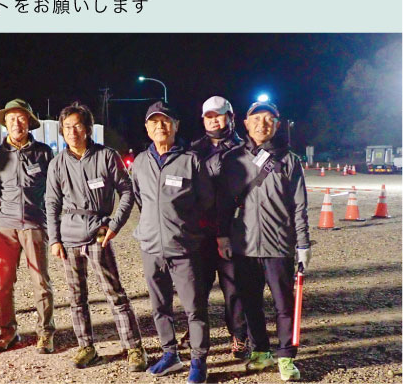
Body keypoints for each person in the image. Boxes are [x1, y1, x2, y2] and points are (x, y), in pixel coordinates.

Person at [46, 102, 147, 371]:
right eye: (67, 127)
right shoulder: (57, 164)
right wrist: (54, 239)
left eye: (78, 126)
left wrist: (115, 224)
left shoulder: (106, 156)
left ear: (88, 128)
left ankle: (134, 348)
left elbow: (127, 191)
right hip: (69, 238)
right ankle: (86, 346)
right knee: (76, 297)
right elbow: (52, 204)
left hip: (98, 234)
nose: (72, 132)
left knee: (115, 293)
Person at [217, 101, 312, 382]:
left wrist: (303, 245)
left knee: (284, 305)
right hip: (244, 246)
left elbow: (299, 207)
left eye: (269, 119)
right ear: (245, 124)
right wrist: (223, 236)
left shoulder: (289, 161)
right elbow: (224, 202)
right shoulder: (233, 159)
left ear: (277, 125)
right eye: (256, 118)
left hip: (279, 246)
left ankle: (286, 356)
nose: (262, 124)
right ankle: (261, 350)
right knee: (250, 303)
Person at [130, 101, 214, 383]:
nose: (160, 126)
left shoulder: (191, 161)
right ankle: (170, 354)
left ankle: (198, 361)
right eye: (154, 122)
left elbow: (206, 201)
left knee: (194, 308)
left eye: (165, 121)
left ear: (176, 126)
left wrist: (185, 228)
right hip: (151, 248)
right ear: (147, 128)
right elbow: (140, 199)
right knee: (159, 307)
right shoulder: (140, 162)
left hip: (184, 248)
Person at [0, 99, 56, 354]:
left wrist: (53, 224)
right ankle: (8, 331)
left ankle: (45, 333)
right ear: (5, 123)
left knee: (41, 282)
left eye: (21, 118)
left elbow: (54, 190)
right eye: (11, 118)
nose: (17, 123)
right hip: (4, 227)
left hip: (35, 225)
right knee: (3, 283)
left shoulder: (44, 153)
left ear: (29, 122)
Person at [189, 96, 249, 359]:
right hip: (201, 231)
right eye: (209, 116)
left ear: (231, 117)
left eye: (219, 115)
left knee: (234, 289)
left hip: (233, 230)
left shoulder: (244, 149)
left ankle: (239, 335)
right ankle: (196, 333)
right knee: (197, 287)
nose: (214, 120)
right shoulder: (193, 150)